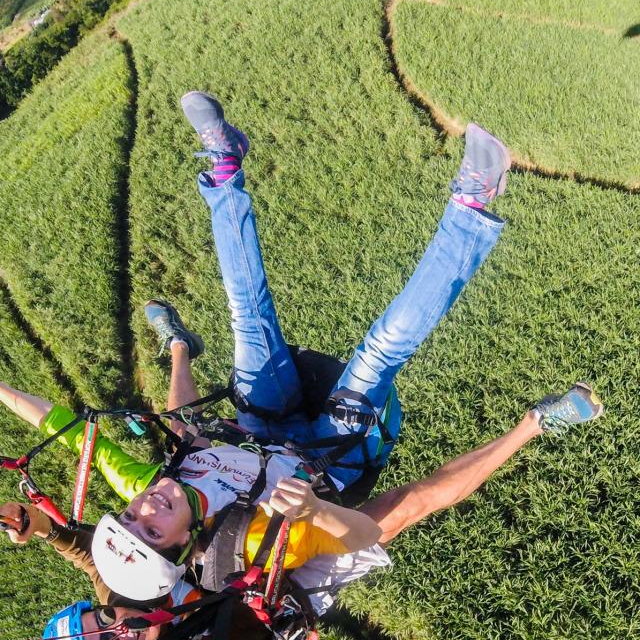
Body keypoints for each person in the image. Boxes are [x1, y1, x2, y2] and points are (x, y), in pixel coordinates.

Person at [0, 93, 527, 604]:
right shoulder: (252, 544)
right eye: (153, 531)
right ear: (184, 547)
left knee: (247, 318)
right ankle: (473, 204)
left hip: (259, 428)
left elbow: (61, 427)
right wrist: (315, 510)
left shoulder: (148, 483)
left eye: (131, 515)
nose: (145, 508)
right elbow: (368, 534)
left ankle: (223, 164)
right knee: (382, 348)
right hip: (328, 454)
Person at [2, 380, 601, 640]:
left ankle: (178, 349)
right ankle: (533, 425)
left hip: (222, 540)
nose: (118, 633)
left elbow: (82, 551)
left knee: (189, 439)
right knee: (406, 506)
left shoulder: (120, 592)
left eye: (99, 625)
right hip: (279, 587)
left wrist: (40, 526)